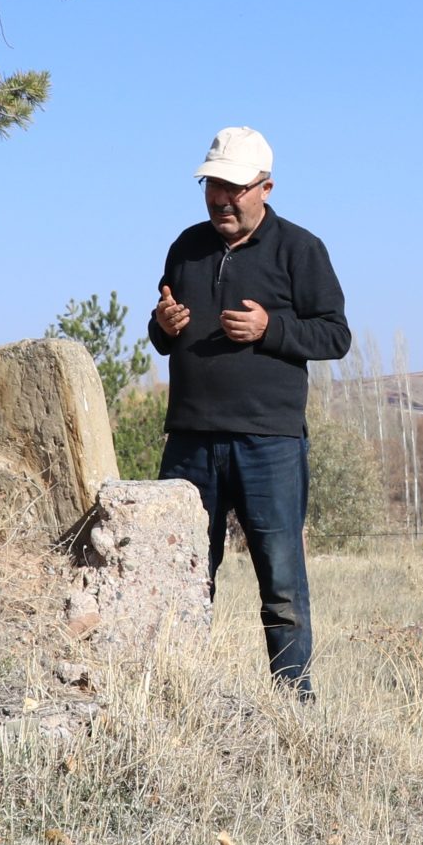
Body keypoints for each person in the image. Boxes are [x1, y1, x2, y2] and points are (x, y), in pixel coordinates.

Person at [148, 127, 351, 695]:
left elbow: (336, 335)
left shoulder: (300, 249)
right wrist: (160, 327)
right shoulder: (185, 246)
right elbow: (162, 329)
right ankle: (174, 696)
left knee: (282, 585)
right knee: (181, 577)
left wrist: (271, 329)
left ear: (265, 187)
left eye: (233, 187)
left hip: (270, 443)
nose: (220, 199)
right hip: (189, 443)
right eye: (212, 185)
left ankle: (291, 709)